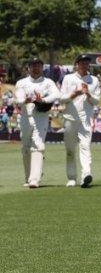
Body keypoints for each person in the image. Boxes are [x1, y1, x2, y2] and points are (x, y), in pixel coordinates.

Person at [14, 57, 61, 188]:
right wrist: (26, 100)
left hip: (41, 116)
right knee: (26, 147)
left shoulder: (48, 82)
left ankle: (35, 179)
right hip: (25, 116)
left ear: (42, 68)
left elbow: (57, 95)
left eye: (39, 66)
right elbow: (18, 99)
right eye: (33, 66)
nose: (36, 68)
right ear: (29, 68)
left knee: (38, 144)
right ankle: (28, 176)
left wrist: (44, 100)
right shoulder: (21, 82)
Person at [60, 54, 101, 187]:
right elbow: (62, 99)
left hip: (86, 119)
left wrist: (88, 94)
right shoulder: (68, 78)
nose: (85, 65)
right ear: (77, 64)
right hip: (70, 118)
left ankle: (86, 175)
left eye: (87, 63)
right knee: (70, 150)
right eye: (82, 63)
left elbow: (96, 101)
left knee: (85, 147)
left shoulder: (94, 80)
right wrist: (75, 93)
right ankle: (72, 177)